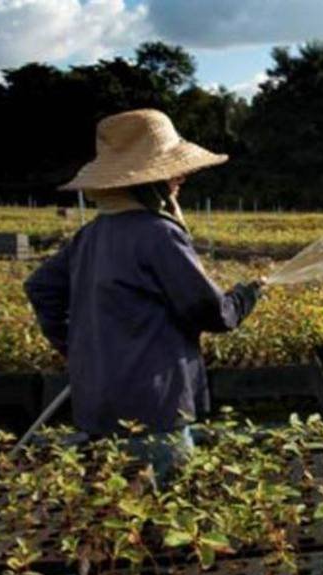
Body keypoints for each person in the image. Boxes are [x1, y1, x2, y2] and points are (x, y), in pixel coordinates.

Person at [24, 109, 263, 477]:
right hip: (154, 411)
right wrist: (246, 296)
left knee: (117, 515)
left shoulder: (93, 234)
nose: (179, 179)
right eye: (171, 174)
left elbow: (40, 287)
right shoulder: (158, 234)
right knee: (167, 513)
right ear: (145, 181)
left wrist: (75, 346)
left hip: (97, 406)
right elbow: (210, 311)